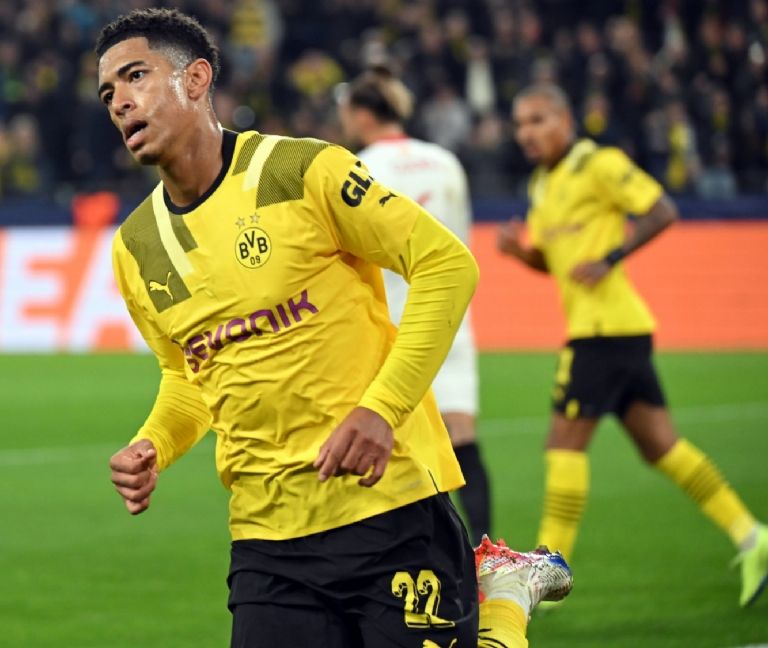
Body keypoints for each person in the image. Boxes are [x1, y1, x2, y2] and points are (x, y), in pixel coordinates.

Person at [98, 9, 570, 648]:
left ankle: (507, 597)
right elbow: (189, 373)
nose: (120, 101)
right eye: (107, 92)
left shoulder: (301, 171)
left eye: (135, 76)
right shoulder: (135, 247)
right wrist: (154, 442)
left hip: (389, 504)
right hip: (266, 538)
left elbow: (446, 264)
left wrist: (382, 409)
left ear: (196, 79)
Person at [498, 83, 767, 608]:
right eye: (519, 124)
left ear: (565, 120)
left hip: (602, 333)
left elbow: (661, 209)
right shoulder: (540, 184)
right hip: (619, 332)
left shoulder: (597, 163)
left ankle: (542, 581)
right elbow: (554, 263)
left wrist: (612, 257)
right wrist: (519, 253)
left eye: (537, 120)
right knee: (661, 446)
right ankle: (751, 536)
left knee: (562, 446)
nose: (526, 133)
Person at [336, 66, 493, 545]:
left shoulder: (357, 167)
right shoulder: (445, 161)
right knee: (462, 438)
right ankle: (488, 554)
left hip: (392, 326)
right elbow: (460, 241)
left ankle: (416, 556)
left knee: (398, 447)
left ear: (363, 115)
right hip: (449, 318)